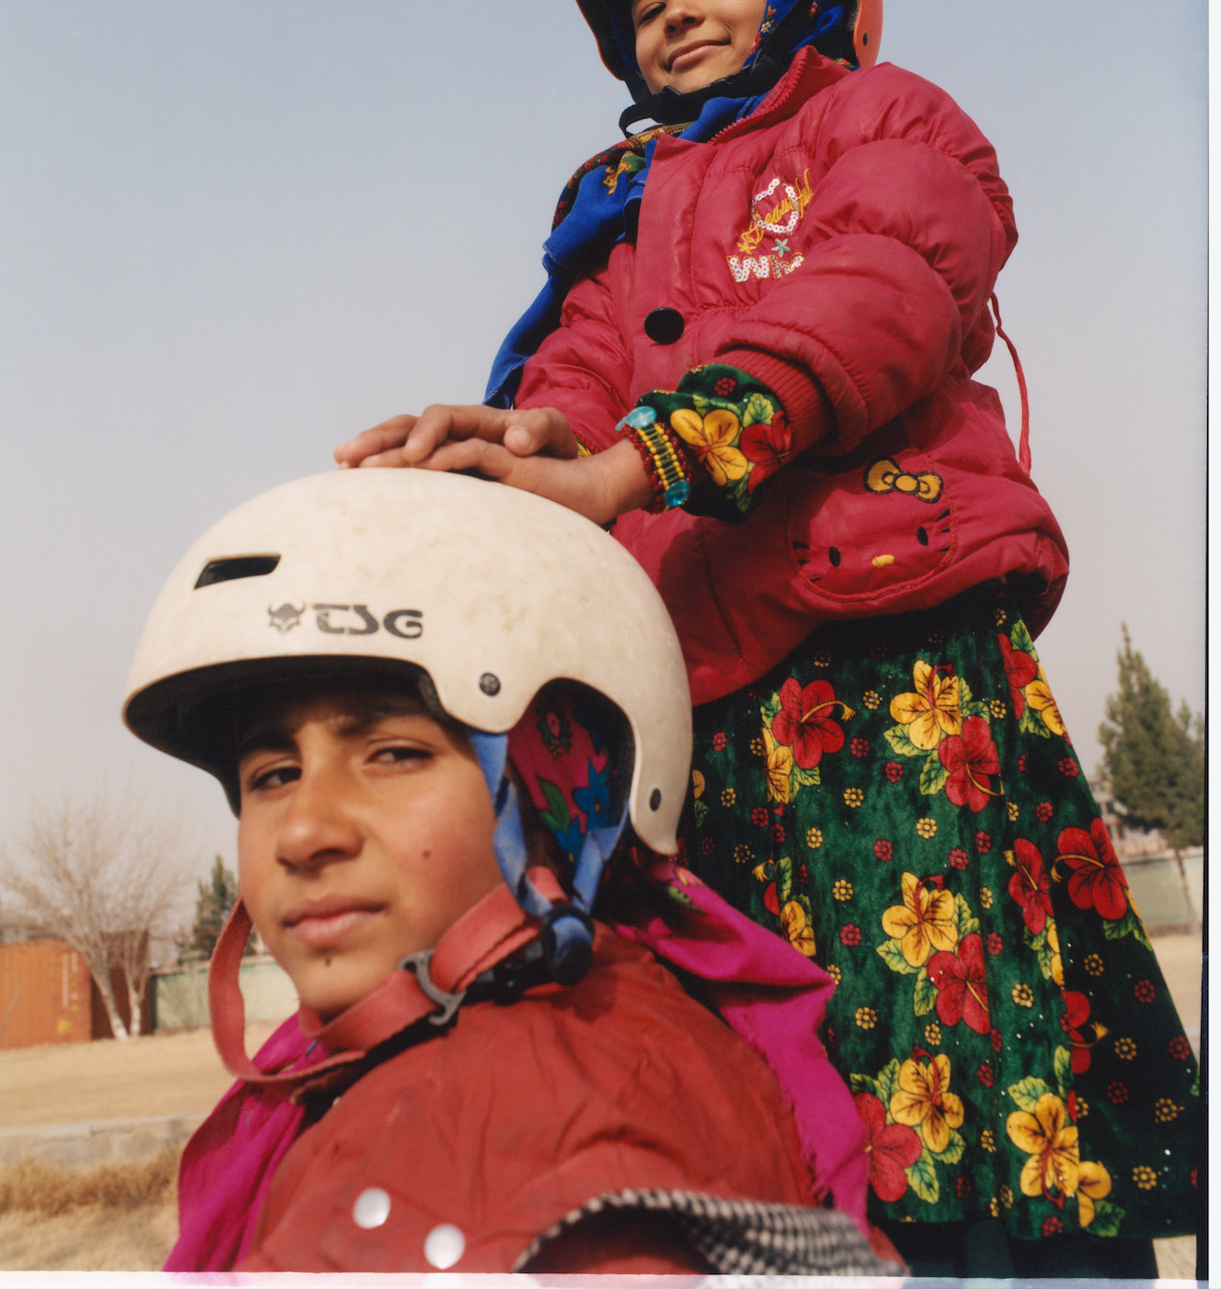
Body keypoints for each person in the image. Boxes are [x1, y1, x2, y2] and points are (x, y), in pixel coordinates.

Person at [335, 0, 1201, 1275]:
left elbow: (871, 294)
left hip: (883, 654)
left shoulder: (881, 118)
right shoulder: (617, 200)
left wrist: (645, 460)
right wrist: (517, 439)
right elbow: (591, 369)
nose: (673, 11)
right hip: (709, 704)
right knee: (784, 1069)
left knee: (960, 1055)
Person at [122, 467, 902, 1274]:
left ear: (559, 793)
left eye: (394, 754)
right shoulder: (639, 1018)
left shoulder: (462, 1133)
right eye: (274, 775)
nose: (305, 832)